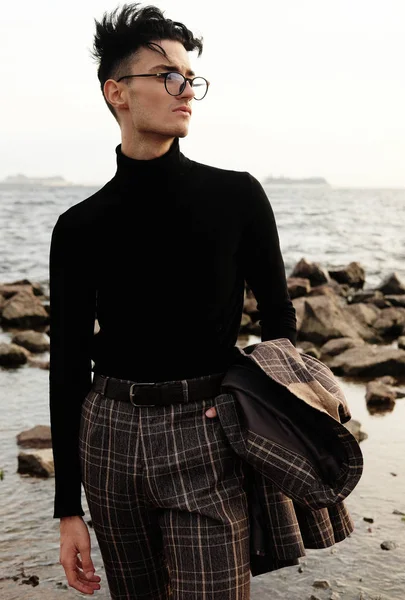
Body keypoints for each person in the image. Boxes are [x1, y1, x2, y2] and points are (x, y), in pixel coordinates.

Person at [49, 3, 297, 598]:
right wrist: (67, 511)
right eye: (167, 76)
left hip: (206, 431)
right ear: (117, 92)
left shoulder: (236, 197)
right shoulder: (79, 226)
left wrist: (244, 399)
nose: (186, 90)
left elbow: (280, 321)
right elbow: (67, 366)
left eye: (190, 79)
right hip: (109, 435)